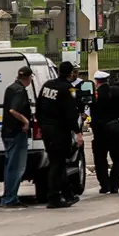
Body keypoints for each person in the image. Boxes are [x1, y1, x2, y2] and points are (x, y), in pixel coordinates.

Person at [35, 61, 83, 208]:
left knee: (58, 163)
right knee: (57, 164)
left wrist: (42, 125)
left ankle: (68, 195)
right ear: (71, 74)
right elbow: (71, 114)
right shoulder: (68, 89)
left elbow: (39, 107)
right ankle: (54, 197)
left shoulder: (47, 85)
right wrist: (77, 132)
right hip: (59, 132)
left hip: (47, 131)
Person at [90, 71, 119, 194]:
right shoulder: (117, 91)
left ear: (96, 81)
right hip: (118, 128)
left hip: (101, 131)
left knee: (100, 159)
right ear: (107, 80)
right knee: (118, 159)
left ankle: (105, 185)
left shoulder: (94, 95)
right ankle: (115, 185)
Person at [0, 66, 33, 208]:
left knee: (10, 166)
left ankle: (8, 196)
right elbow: (13, 110)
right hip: (16, 132)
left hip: (7, 132)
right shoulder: (20, 91)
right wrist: (25, 121)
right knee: (16, 167)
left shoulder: (10, 88)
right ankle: (10, 198)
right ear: (29, 77)